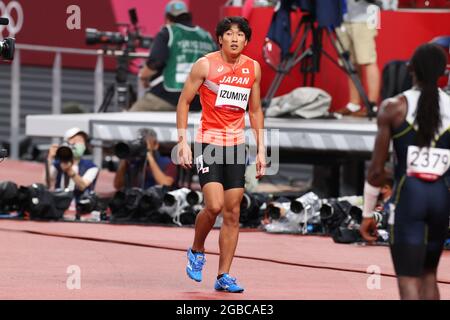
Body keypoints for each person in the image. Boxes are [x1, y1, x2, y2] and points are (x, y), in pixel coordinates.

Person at [176, 16, 266, 293]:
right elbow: (184, 102)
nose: (235, 38)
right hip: (208, 142)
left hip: (237, 145)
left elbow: (255, 110)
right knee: (214, 206)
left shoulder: (253, 68)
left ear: (247, 41)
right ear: (220, 38)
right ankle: (196, 249)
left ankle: (223, 275)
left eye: (240, 34)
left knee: (233, 213)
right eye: (229, 33)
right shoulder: (205, 64)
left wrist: (262, 148)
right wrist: (183, 142)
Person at [360, 43, 449, 300]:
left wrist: (368, 213)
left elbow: (377, 171)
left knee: (409, 279)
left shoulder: (393, 107)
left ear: (410, 68)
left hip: (409, 200)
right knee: (429, 275)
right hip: (441, 201)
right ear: (444, 71)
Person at [129, 0, 216, 112]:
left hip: (169, 95)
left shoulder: (168, 32)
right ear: (188, 16)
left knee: (132, 117)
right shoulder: (207, 36)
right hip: (199, 100)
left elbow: (155, 62)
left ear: (168, 18)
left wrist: (143, 77)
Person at [335, 0, 381, 117]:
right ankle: (354, 104)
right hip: (341, 16)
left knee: (368, 60)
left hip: (366, 15)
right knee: (350, 62)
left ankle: (372, 105)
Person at [46, 127, 99, 201]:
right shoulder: (57, 164)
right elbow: (47, 182)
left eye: (81, 141)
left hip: (81, 205)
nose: (78, 143)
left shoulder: (91, 166)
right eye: (74, 140)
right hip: (59, 204)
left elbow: (82, 186)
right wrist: (49, 159)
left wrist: (69, 171)